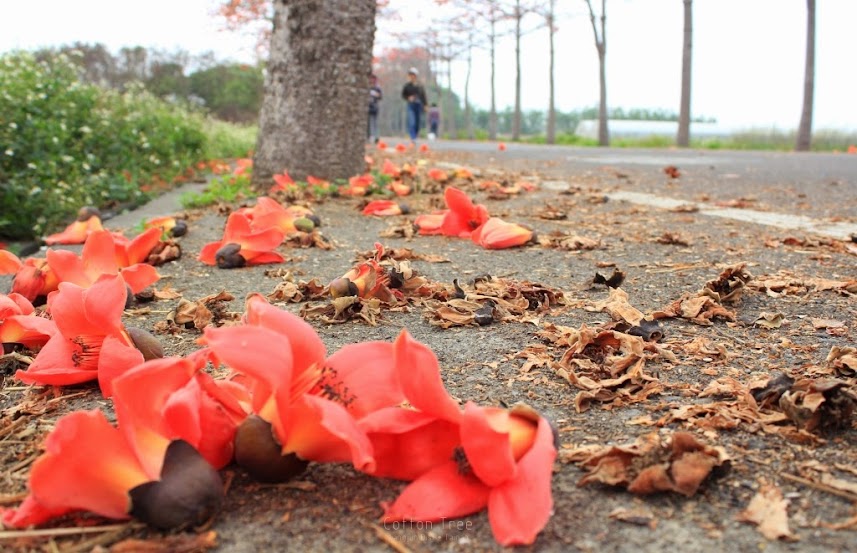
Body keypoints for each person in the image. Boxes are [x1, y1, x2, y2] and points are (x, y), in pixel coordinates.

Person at [401, 67, 427, 145]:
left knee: (417, 123)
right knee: (412, 121)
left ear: (416, 76)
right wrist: (408, 98)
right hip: (411, 105)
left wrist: (425, 105)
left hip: (418, 105)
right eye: (410, 75)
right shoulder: (407, 86)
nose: (412, 76)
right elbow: (403, 95)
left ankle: (415, 135)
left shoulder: (420, 86)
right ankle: (413, 138)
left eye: (413, 75)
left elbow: (423, 96)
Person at [368, 74, 382, 144]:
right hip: (369, 107)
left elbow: (380, 97)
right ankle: (371, 136)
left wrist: (376, 94)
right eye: (371, 79)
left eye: (373, 79)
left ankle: (376, 136)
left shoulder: (377, 88)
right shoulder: (368, 87)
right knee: (371, 122)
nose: (372, 80)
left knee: (375, 122)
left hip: (375, 107)